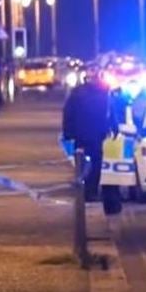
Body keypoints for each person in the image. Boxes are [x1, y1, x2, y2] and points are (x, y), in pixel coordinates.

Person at [62, 64, 111, 203]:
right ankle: (87, 191)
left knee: (91, 164)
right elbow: (69, 112)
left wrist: (110, 127)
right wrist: (68, 132)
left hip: (91, 134)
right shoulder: (81, 92)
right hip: (87, 134)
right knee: (87, 164)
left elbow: (109, 111)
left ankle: (89, 191)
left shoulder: (102, 92)